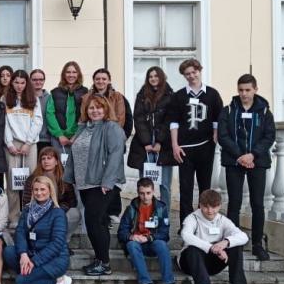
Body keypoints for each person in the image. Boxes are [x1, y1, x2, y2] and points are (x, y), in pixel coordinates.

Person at [63, 96, 126, 277]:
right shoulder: (83, 127)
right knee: (96, 221)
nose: (95, 111)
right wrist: (71, 176)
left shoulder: (111, 128)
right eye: (91, 108)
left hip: (101, 184)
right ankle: (100, 260)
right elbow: (74, 153)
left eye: (99, 108)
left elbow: (115, 155)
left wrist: (107, 182)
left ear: (106, 109)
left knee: (93, 221)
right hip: (84, 183)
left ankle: (104, 263)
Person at [217, 74, 276, 261]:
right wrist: (240, 156)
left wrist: (252, 155)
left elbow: (269, 136)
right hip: (234, 161)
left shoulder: (265, 112)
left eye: (248, 90)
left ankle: (257, 244)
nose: (244, 94)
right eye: (241, 90)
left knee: (257, 204)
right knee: (234, 203)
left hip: (257, 162)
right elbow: (223, 136)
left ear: (255, 89)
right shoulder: (228, 110)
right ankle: (233, 243)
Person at [166, 58, 223, 223]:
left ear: (199, 71)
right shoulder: (179, 96)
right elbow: (174, 122)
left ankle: (204, 222)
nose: (191, 76)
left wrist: (215, 134)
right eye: (187, 74)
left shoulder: (212, 94)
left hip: (205, 146)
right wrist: (175, 145)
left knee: (205, 186)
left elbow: (217, 118)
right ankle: (186, 223)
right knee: (186, 188)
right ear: (184, 76)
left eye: (194, 72)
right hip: (185, 148)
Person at [178, 189, 254, 284]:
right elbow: (186, 235)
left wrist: (226, 242)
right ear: (200, 205)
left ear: (219, 206)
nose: (210, 211)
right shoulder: (192, 218)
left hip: (213, 262)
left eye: (214, 207)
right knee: (193, 249)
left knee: (235, 246)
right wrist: (211, 248)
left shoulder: (222, 220)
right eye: (206, 207)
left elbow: (243, 236)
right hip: (191, 262)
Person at [4, 176, 72, 284]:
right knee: (9, 252)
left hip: (54, 259)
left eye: (42, 189)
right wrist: (24, 254)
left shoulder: (58, 213)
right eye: (36, 190)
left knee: (21, 282)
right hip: (32, 253)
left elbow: (57, 243)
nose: (39, 193)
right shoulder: (27, 209)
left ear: (50, 190)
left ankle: (60, 280)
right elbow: (20, 232)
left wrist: (34, 262)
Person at [82, 68, 134, 225]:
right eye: (97, 78)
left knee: (113, 174)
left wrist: (118, 138)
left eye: (104, 78)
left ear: (109, 80)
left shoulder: (118, 97)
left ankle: (113, 211)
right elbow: (84, 117)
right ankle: (100, 212)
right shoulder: (87, 97)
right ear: (93, 80)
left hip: (113, 139)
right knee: (96, 177)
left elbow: (125, 118)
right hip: (93, 141)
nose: (100, 81)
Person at [118, 178, 179, 284]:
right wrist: (132, 236)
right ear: (138, 192)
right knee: (131, 245)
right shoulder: (131, 208)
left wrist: (149, 237)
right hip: (137, 244)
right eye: (142, 193)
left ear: (153, 192)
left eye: (148, 193)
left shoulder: (161, 208)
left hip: (153, 242)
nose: (145, 197)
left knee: (162, 244)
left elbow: (164, 233)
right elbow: (121, 232)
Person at [128, 66, 176, 209]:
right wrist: (146, 142)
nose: (153, 79)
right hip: (144, 146)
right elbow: (138, 118)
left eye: (156, 76)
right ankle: (145, 214)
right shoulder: (142, 94)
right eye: (150, 76)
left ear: (162, 77)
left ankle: (164, 217)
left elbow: (170, 119)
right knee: (145, 184)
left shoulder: (170, 95)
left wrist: (160, 141)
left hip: (164, 145)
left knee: (165, 185)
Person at [3, 70, 43, 221]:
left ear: (27, 84)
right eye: (16, 82)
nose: (19, 86)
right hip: (11, 143)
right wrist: (9, 143)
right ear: (12, 83)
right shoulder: (5, 98)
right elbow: (4, 123)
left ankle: (31, 214)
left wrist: (28, 143)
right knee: (13, 181)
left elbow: (38, 122)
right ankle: (13, 216)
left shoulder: (34, 99)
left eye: (22, 83)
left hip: (30, 143)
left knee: (31, 179)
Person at [21, 146, 80, 248]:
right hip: (38, 213)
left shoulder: (65, 178)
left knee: (74, 213)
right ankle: (40, 243)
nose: (46, 161)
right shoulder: (32, 179)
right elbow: (26, 201)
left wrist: (58, 210)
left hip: (58, 211)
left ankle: (63, 242)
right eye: (43, 158)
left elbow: (72, 202)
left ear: (57, 161)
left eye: (49, 158)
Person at [45, 61, 88, 158]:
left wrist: (76, 135)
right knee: (59, 167)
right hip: (58, 138)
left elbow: (85, 116)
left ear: (78, 74)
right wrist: (59, 135)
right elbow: (49, 114)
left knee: (78, 166)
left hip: (78, 137)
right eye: (68, 72)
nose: (71, 75)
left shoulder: (85, 92)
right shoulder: (55, 92)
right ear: (64, 74)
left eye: (74, 72)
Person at [29, 69, 51, 153]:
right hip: (29, 140)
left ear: (44, 80)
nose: (38, 82)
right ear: (30, 81)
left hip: (46, 140)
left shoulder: (50, 98)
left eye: (41, 79)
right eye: (34, 80)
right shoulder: (25, 99)